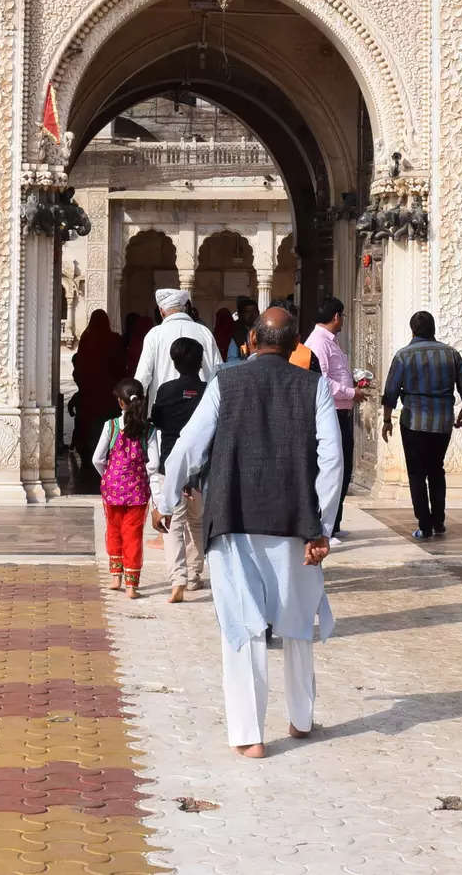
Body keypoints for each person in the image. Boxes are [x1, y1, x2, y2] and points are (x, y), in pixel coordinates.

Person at [157, 308, 342, 759]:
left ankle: (250, 735)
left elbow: (188, 444)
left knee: (243, 627)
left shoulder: (225, 382)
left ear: (251, 340)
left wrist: (164, 500)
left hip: (235, 516)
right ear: (296, 342)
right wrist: (323, 526)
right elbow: (331, 462)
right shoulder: (313, 386)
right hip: (295, 520)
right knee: (298, 623)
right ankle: (300, 720)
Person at [378, 311, 462, 541]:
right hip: (442, 422)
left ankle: (424, 524)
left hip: (414, 422)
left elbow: (391, 392)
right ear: (433, 329)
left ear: (412, 330)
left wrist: (386, 420)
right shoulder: (450, 354)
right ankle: (438, 520)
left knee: (416, 473)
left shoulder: (403, 356)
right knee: (436, 470)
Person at [151, 336, 211, 601]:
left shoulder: (166, 391)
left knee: (173, 524)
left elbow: (159, 422)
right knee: (197, 522)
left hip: (171, 465)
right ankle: (195, 575)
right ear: (200, 362)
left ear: (175, 362)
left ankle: (178, 579)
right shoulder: (209, 391)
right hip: (200, 468)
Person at [303, 298, 360, 542]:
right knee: (332, 469)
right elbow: (321, 380)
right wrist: (351, 392)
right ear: (336, 316)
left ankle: (333, 524)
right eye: (343, 316)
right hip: (331, 412)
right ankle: (322, 526)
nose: (343, 321)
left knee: (344, 468)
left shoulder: (330, 342)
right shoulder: (318, 342)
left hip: (342, 412)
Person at [93, 379, 153, 598]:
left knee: (114, 530)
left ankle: (115, 577)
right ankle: (132, 585)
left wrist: (108, 476)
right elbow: (153, 463)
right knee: (133, 535)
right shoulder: (149, 429)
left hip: (113, 490)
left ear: (120, 402)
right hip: (138, 491)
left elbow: (97, 458)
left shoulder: (111, 426)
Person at [69, 310, 123, 492]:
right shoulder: (114, 339)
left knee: (89, 426)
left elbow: (81, 367)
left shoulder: (86, 339)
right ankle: (110, 460)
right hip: (108, 393)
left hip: (90, 393)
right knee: (107, 427)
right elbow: (120, 366)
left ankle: (88, 462)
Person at [135, 287, 223, 399]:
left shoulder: (155, 335)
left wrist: (132, 408)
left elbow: (143, 377)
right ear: (185, 308)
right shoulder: (204, 332)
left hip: (164, 407)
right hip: (202, 406)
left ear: (161, 311)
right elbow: (219, 371)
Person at [227, 298, 259, 362]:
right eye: (248, 312)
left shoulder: (264, 331)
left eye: (254, 311)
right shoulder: (236, 334)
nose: (252, 315)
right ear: (240, 314)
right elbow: (232, 359)